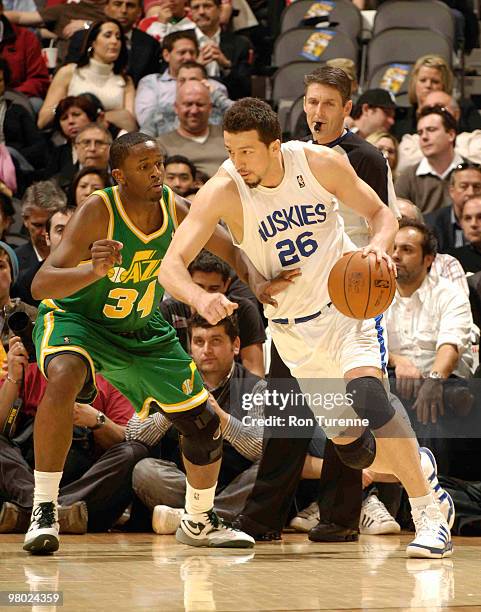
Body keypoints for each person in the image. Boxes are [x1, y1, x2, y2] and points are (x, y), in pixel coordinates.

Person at [158, 97, 455, 559]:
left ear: (275, 145)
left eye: (247, 152)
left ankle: (429, 515)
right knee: (353, 448)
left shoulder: (317, 162)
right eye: (230, 150)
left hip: (346, 308)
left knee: (369, 397)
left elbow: (383, 215)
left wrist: (377, 248)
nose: (237, 162)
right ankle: (418, 465)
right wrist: (200, 296)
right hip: (292, 331)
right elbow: (170, 265)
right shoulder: (223, 188)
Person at [23, 131, 260, 554]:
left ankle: (199, 519)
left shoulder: (175, 207)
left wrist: (262, 281)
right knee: (63, 377)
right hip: (79, 319)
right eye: (144, 167)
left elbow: (232, 250)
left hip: (141, 327)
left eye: (159, 164)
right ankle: (45, 509)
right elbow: (41, 285)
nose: (157, 173)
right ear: (119, 175)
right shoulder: (99, 211)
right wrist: (92, 272)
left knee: (202, 425)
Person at [128, 313, 266, 532]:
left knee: (269, 468)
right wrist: (173, 409)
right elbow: (133, 435)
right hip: (187, 482)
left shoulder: (257, 387)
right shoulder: (170, 380)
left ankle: (197, 517)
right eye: (199, 342)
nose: (207, 350)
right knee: (145, 470)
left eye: (216, 341)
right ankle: (205, 516)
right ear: (190, 347)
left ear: (236, 345)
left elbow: (262, 447)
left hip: (236, 483)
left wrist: (221, 418)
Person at [38, 19, 137, 133]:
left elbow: (130, 124)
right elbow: (42, 121)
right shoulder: (69, 72)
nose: (114, 41)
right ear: (93, 42)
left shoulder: (126, 80)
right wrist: (64, 109)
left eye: (118, 37)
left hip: (110, 141)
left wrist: (87, 116)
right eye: (107, 35)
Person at [64, 0, 162, 87]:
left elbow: (151, 84)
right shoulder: (83, 38)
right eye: (117, 4)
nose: (123, 10)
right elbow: (68, 75)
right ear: (106, 7)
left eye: (130, 5)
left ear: (139, 12)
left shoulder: (150, 45)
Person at [395, 106, 464, 214]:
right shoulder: (407, 177)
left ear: (451, 135)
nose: (424, 137)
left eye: (431, 130)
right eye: (420, 132)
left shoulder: (473, 171)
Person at [157, 80, 226, 178]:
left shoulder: (228, 135)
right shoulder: (161, 144)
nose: (194, 110)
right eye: (188, 104)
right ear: (176, 107)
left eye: (200, 104)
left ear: (210, 108)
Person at [190, 0, 253, 99]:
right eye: (196, 7)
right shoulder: (179, 40)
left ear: (220, 9)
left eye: (207, 6)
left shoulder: (240, 43)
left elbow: (245, 89)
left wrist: (226, 66)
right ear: (191, 12)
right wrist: (196, 68)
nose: (201, 12)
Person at [425, 162, 481, 252]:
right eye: (464, 186)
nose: (471, 193)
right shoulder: (431, 225)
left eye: (477, 187)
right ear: (451, 191)